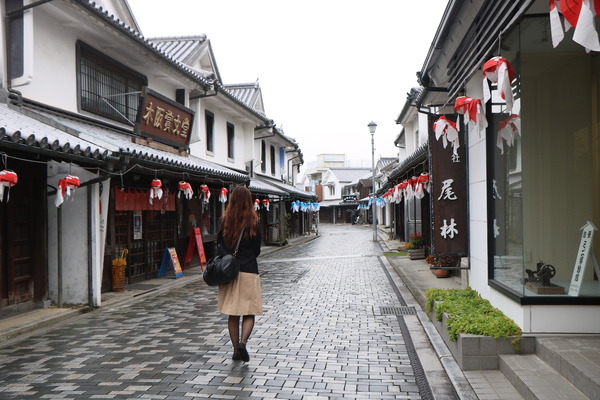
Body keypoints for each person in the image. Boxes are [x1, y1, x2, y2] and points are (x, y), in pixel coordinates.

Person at [216, 185, 262, 362]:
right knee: (249, 312)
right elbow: (257, 250)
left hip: (229, 273)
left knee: (233, 313)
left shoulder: (224, 221)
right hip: (249, 271)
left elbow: (219, 245)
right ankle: (243, 342)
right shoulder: (254, 222)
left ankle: (235, 350)